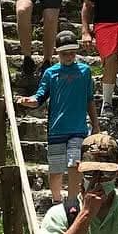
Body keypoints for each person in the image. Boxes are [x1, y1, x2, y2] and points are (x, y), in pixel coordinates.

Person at [17, 31, 99, 203]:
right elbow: (39, 98)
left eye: (72, 52)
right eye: (64, 53)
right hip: (56, 129)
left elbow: (89, 99)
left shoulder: (85, 71)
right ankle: (56, 200)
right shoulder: (50, 73)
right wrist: (27, 101)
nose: (69, 56)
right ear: (57, 52)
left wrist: (95, 124)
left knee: (74, 163)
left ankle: (72, 201)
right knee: (55, 168)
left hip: (78, 128)